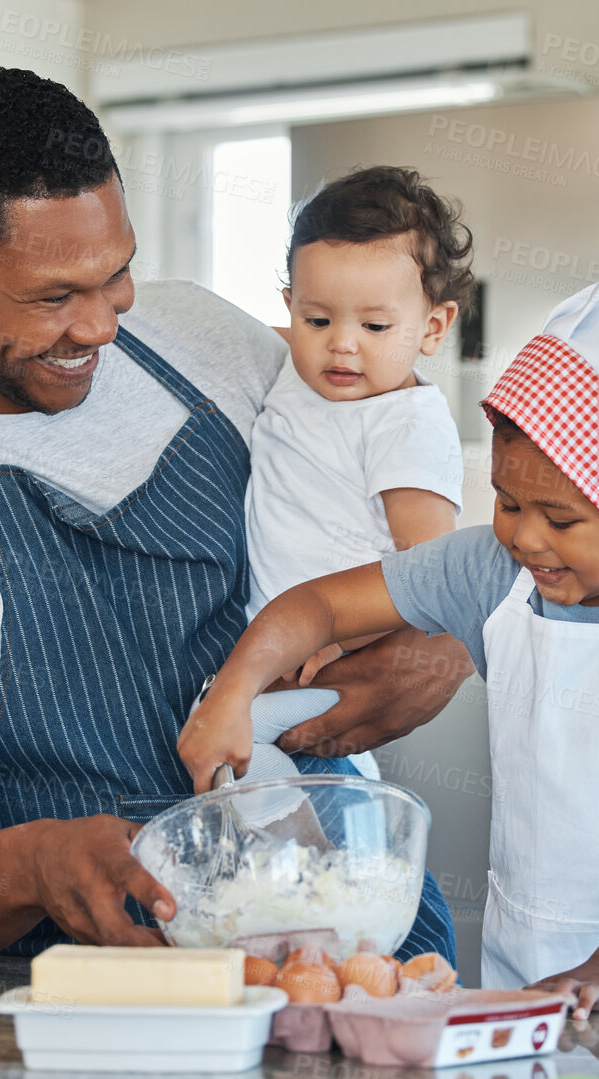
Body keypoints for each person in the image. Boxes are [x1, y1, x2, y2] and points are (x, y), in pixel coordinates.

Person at [0, 67, 467, 960]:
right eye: (54, 297)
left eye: (117, 276)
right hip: (94, 999)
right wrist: (31, 866)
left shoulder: (198, 338)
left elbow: (386, 442)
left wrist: (445, 641)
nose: (99, 327)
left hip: (350, 926)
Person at [182, 274, 599, 1017]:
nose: (526, 537)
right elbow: (313, 607)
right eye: (507, 503)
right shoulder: (489, 571)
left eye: (561, 520)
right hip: (526, 961)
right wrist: (232, 695)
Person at [235, 167, 468, 782]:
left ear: (432, 328)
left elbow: (436, 573)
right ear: (291, 310)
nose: (341, 344)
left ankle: (311, 865)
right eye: (318, 321)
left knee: (236, 745)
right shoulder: (301, 366)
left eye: (374, 326)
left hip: (329, 661)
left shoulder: (404, 425)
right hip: (266, 651)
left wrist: (353, 642)